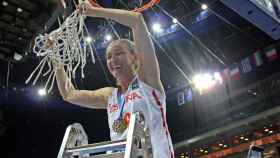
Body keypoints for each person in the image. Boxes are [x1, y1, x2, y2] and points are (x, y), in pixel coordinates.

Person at [55, 1, 174, 158]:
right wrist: (55, 56)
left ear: (135, 57)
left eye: (118, 53)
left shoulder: (147, 80)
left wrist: (94, 12)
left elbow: (137, 21)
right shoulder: (109, 96)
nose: (112, 60)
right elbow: (68, 94)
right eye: (109, 57)